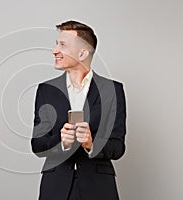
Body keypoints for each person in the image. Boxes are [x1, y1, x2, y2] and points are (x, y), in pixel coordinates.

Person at [31, 20, 127, 200]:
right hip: (55, 187)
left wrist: (91, 144)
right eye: (56, 44)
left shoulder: (112, 90)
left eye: (63, 45)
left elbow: (118, 146)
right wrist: (61, 142)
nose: (55, 50)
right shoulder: (46, 90)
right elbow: (37, 144)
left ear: (82, 53)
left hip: (99, 187)